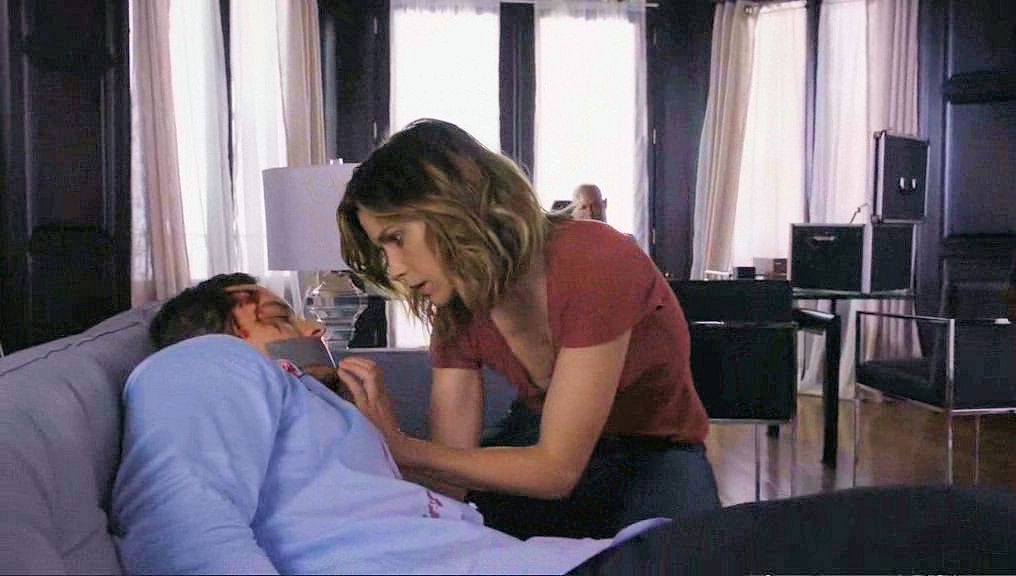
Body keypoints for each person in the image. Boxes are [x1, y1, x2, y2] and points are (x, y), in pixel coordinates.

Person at [111, 273, 1016, 575]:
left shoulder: (322, 406)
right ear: (238, 315)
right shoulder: (204, 365)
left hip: (568, 554)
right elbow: (180, 523)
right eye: (280, 313)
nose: (308, 327)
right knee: (958, 529)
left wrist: (384, 436)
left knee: (958, 530)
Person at [336, 119, 716, 538]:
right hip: (536, 434)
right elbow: (449, 484)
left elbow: (556, 470)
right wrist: (381, 438)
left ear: (455, 205)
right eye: (382, 249)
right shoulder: (456, 307)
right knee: (455, 537)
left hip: (655, 447)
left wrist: (403, 448)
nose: (393, 269)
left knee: (678, 553)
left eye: (396, 238)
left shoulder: (597, 258)